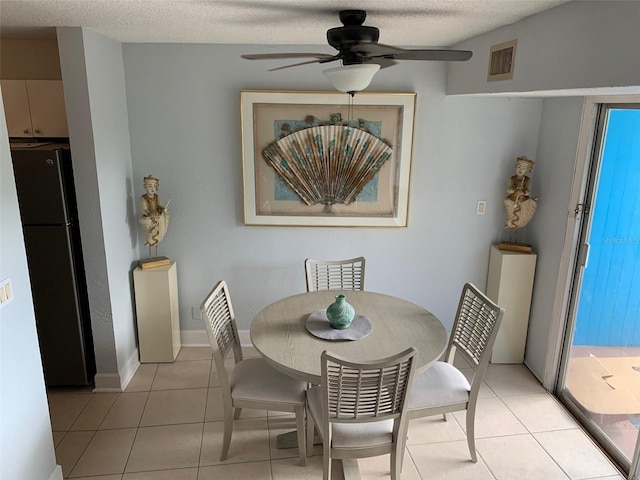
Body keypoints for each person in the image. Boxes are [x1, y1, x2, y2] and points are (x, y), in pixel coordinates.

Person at [504, 156, 537, 229]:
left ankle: (518, 223)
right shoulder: (512, 179)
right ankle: (510, 221)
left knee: (523, 209)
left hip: (522, 199)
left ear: (526, 170)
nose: (521, 170)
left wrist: (523, 192)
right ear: (515, 166)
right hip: (513, 198)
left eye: (524, 168)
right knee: (507, 202)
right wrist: (515, 190)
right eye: (519, 167)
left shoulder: (528, 180)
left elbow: (528, 191)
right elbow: (508, 190)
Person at [138, 175, 170, 253]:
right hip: (149, 217)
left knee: (163, 218)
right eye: (150, 186)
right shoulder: (143, 198)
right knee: (147, 223)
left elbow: (159, 206)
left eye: (154, 187)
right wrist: (149, 214)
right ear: (145, 187)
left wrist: (163, 209)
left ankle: (157, 239)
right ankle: (150, 241)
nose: (152, 189)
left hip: (157, 215)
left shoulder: (157, 197)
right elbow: (144, 209)